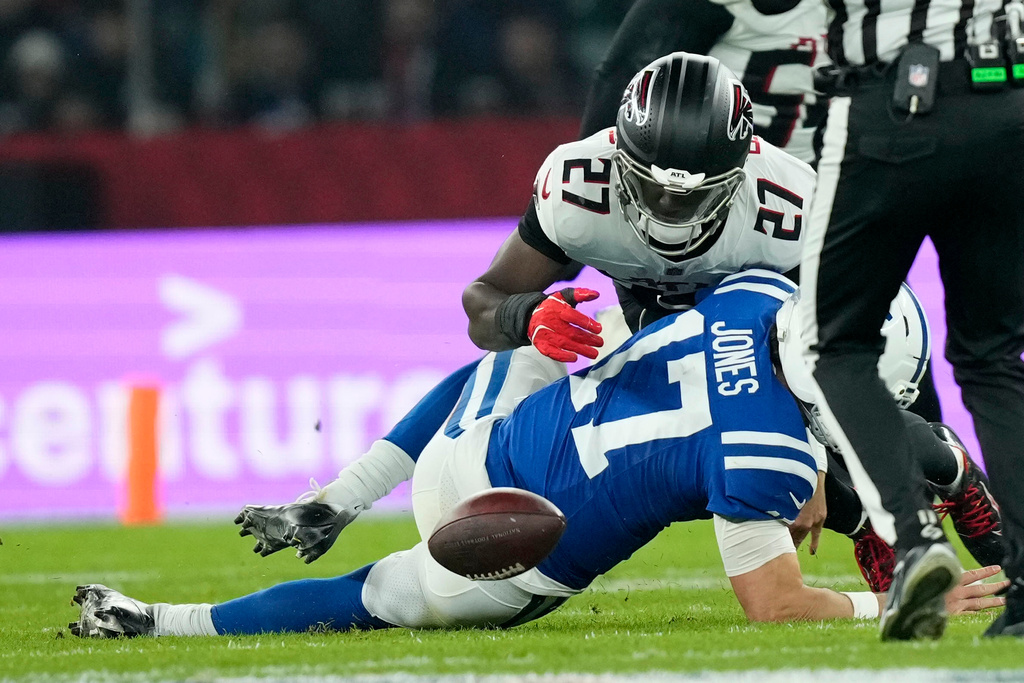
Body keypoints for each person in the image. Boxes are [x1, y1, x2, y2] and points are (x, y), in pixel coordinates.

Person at [68, 271, 1004, 638]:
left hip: (469, 454)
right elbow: (774, 603)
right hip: (511, 553)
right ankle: (159, 621)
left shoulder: (755, 295)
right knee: (376, 598)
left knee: (527, 346)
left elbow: (733, 394)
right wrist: (897, 596)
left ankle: (338, 495)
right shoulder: (774, 457)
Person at [787, 0, 1024, 641]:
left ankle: (916, 540)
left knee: (831, 346)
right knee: (992, 356)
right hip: (1009, 95)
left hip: (892, 97)